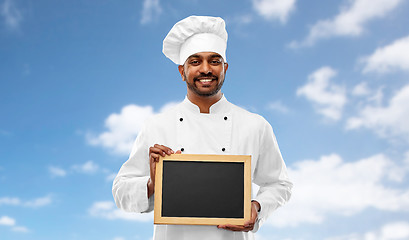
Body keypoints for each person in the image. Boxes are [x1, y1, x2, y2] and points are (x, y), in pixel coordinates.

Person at [112, 15, 292, 240]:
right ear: (182, 71)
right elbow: (120, 192)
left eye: (214, 61)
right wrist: (152, 183)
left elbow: (280, 184)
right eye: (195, 62)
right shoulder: (156, 126)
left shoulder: (255, 125)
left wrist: (258, 207)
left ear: (225, 68)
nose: (206, 69)